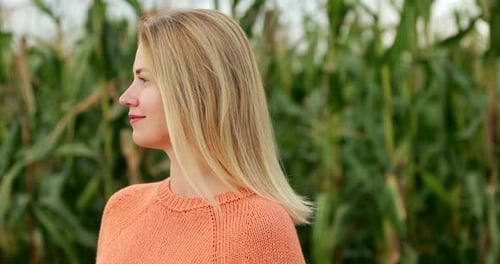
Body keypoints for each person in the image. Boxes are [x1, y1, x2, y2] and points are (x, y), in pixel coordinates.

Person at [96, 8, 312, 264]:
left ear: (196, 90)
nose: (125, 98)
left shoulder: (260, 228)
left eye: (144, 79)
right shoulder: (122, 208)